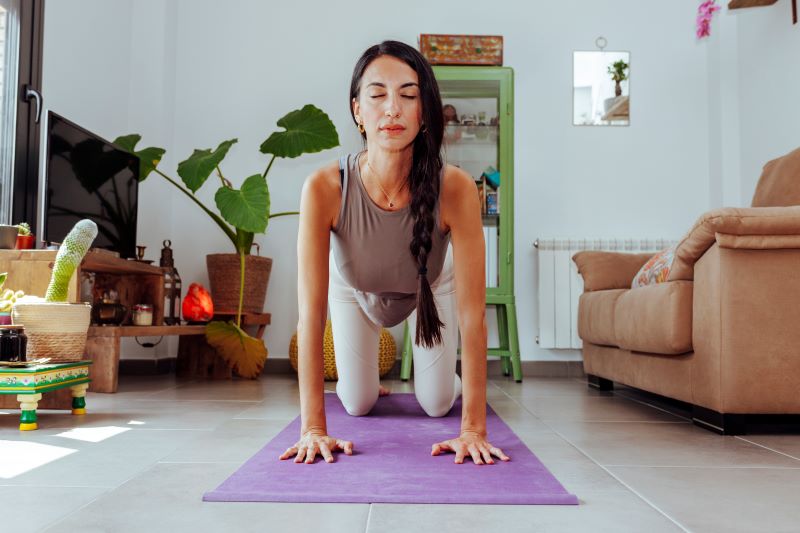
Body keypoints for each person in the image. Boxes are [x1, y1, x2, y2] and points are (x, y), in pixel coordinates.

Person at [280, 40, 510, 466]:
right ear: (357, 111)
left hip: (429, 286)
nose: (393, 109)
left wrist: (473, 429)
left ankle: (444, 381)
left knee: (438, 403)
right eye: (378, 94)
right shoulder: (324, 187)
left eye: (408, 95)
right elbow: (310, 316)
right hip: (356, 290)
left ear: (424, 113)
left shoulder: (455, 187)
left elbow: (473, 315)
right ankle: (368, 379)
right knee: (357, 403)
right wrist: (313, 428)